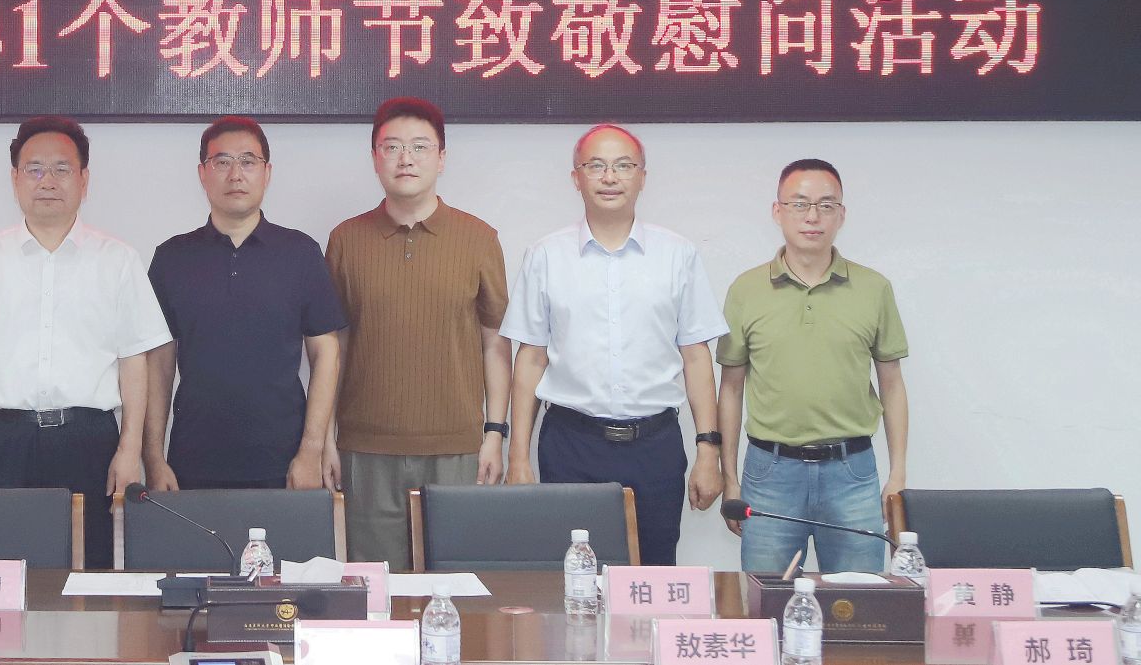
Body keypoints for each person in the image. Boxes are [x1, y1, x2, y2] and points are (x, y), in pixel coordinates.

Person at [0, 116, 171, 569]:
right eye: (35, 169)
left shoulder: (118, 260)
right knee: (2, 572)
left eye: (62, 169)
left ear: (84, 180)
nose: (48, 181)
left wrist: (129, 451)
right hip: (5, 441)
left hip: (90, 441)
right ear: (15, 179)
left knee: (91, 569)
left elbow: (134, 363)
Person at [503, 124, 727, 566]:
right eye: (596, 166)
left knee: (654, 576)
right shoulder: (545, 256)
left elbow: (696, 357)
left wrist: (708, 450)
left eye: (624, 166)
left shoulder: (678, 255)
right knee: (572, 576)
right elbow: (530, 359)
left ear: (642, 177)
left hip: (655, 446)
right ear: (576, 178)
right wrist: (518, 458)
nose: (610, 177)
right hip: (571, 444)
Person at [325, 98, 511, 567]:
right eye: (392, 147)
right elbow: (333, 346)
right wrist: (325, 436)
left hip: (456, 449)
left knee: (456, 583)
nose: (405, 158)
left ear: (441, 158)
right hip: (365, 449)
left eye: (420, 147)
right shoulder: (345, 240)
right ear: (375, 158)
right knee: (373, 586)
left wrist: (494, 433)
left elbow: (494, 342)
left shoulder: (479, 238)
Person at [717, 159, 909, 573]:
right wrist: (729, 477)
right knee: (768, 598)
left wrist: (898, 474)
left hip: (852, 472)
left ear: (842, 214)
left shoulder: (873, 288)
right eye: (800, 204)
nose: (812, 216)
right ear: (777, 211)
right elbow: (730, 387)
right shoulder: (746, 290)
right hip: (769, 473)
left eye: (826, 205)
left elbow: (892, 384)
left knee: (860, 600)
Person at [145, 116, 346, 491]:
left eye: (248, 162)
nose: (235, 174)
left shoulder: (301, 254)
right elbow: (158, 366)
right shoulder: (172, 258)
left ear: (267, 173)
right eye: (222, 162)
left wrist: (311, 451)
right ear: (202, 174)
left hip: (284, 463)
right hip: (192, 460)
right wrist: (153, 458)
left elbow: (326, 354)